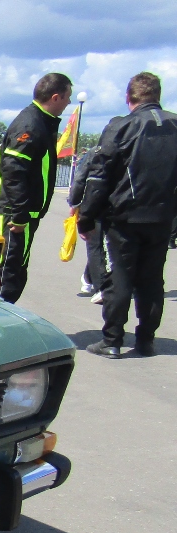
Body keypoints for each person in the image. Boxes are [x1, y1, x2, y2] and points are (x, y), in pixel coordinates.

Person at [79, 72, 177, 358]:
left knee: (119, 278)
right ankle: (146, 339)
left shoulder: (122, 127)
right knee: (151, 279)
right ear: (157, 95)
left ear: (128, 97)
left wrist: (87, 216)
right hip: (161, 218)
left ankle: (112, 340)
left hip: (124, 217)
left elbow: (99, 177)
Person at [0, 72, 72, 303]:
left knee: (14, 270)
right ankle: (1, 325)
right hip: (12, 214)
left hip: (22, 213)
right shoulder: (31, 124)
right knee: (5, 272)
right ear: (55, 97)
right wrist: (19, 214)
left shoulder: (40, 122)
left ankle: (5, 322)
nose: (68, 103)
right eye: (67, 97)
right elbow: (13, 171)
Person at [68, 148, 107, 303]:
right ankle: (101, 287)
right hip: (95, 204)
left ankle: (88, 276)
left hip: (112, 205)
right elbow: (79, 179)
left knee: (104, 246)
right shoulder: (95, 153)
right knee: (96, 245)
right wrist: (75, 202)